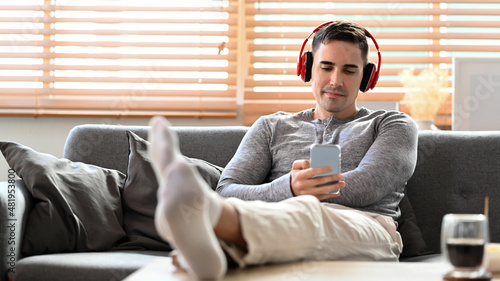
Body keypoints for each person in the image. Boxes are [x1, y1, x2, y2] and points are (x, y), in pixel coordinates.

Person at [148, 19, 418, 280]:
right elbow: (227, 190)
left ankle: (204, 213)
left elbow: (368, 185)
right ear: (308, 68)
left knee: (309, 212)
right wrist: (287, 188)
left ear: (366, 76)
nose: (336, 81)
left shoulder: (392, 124)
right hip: (278, 222)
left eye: (349, 70)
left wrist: (303, 193)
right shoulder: (271, 126)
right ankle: (213, 258)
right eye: (326, 67)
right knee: (288, 216)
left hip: (369, 228)